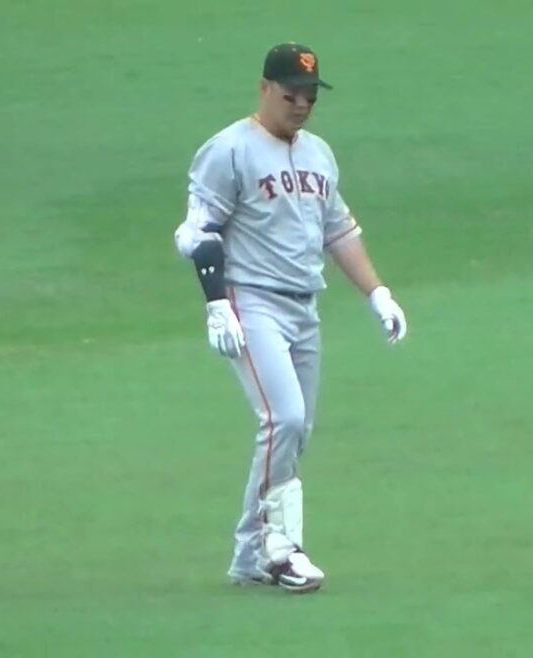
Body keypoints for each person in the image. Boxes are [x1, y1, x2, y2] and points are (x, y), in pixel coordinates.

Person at [172, 42, 408, 594]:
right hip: (251, 302)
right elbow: (196, 232)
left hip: (304, 308)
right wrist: (216, 304)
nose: (301, 104)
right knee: (285, 419)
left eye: (310, 96)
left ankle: (249, 554)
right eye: (291, 94)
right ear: (264, 89)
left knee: (293, 433)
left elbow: (339, 232)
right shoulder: (230, 150)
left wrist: (377, 293)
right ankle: (282, 550)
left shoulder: (319, 154)